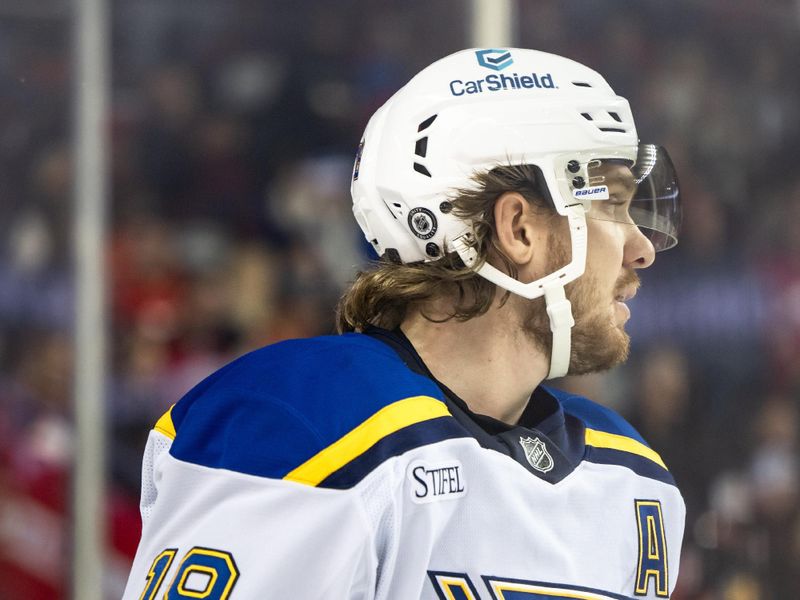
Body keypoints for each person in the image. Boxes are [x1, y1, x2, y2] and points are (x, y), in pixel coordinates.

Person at [122, 48, 685, 600]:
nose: (641, 249)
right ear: (518, 229)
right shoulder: (307, 423)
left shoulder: (630, 480)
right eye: (611, 205)